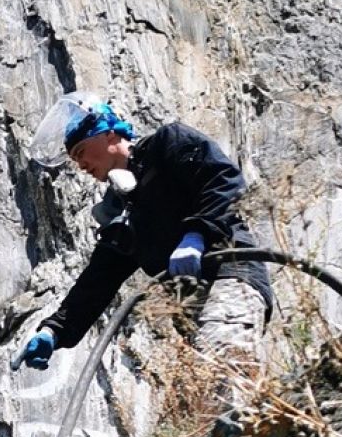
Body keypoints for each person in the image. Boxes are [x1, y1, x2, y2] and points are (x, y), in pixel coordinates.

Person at [19, 100, 274, 381]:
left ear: (109, 134)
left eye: (81, 152)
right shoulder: (120, 210)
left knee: (221, 370)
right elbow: (98, 280)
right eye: (74, 160)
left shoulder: (168, 145)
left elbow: (223, 181)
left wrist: (197, 234)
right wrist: (53, 331)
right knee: (205, 389)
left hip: (232, 274)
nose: (80, 165)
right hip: (192, 308)